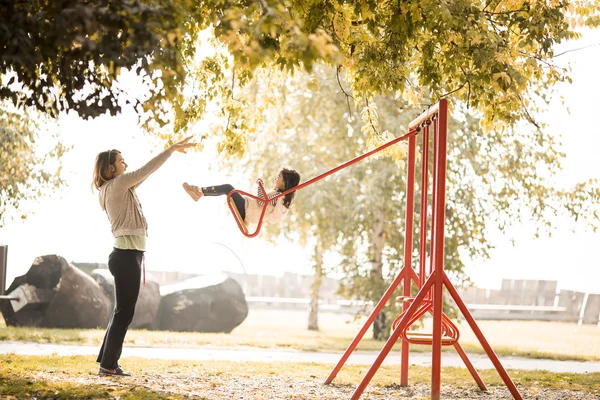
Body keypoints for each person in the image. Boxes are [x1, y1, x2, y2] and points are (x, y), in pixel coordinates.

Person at [91, 136, 196, 377]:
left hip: (126, 255)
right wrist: (170, 150)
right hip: (127, 256)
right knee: (125, 312)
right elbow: (145, 169)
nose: (125, 165)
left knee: (121, 310)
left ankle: (106, 360)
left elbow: (143, 174)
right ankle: (108, 365)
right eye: (121, 161)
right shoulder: (117, 185)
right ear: (110, 168)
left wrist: (169, 154)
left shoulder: (112, 188)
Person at [182, 168, 301, 227]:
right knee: (228, 189)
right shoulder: (279, 197)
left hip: (246, 210)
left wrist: (260, 185)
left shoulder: (278, 197)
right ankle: (198, 192)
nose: (275, 178)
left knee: (228, 188)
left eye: (278, 176)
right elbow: (264, 202)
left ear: (285, 182)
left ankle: (198, 191)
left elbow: (262, 202)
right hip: (248, 210)